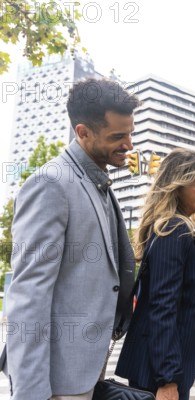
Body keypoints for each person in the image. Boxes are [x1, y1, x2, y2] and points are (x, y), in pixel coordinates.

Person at [5, 78, 141, 399]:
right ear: (83, 133)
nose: (129, 145)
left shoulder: (95, 180)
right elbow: (28, 297)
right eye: (118, 136)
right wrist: (32, 393)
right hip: (56, 383)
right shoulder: (52, 183)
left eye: (130, 133)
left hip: (85, 371)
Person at [115, 148, 195, 400]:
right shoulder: (174, 229)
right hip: (159, 372)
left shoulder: (177, 227)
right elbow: (162, 306)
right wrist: (167, 379)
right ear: (176, 187)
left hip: (164, 365)